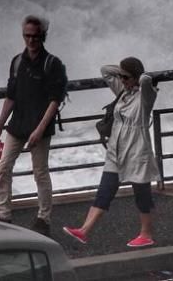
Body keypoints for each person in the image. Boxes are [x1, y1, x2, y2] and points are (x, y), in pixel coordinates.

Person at [63, 57, 160, 248]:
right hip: (116, 149)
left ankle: (146, 234)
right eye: (121, 76)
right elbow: (105, 70)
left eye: (126, 77)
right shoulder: (122, 91)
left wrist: (137, 76)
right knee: (105, 190)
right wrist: (123, 71)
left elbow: (146, 80)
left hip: (136, 151)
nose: (122, 80)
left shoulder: (145, 97)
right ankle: (84, 231)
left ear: (135, 77)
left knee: (142, 195)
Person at [0, 14, 68, 236]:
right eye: (27, 36)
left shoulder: (52, 64)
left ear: (42, 36)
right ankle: (3, 213)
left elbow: (55, 100)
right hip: (17, 124)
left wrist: (40, 130)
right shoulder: (17, 61)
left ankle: (43, 218)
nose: (31, 40)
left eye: (35, 36)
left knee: (40, 173)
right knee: (4, 166)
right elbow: (11, 97)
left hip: (39, 127)